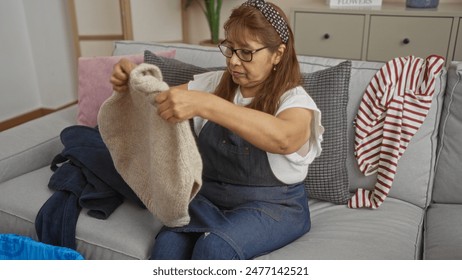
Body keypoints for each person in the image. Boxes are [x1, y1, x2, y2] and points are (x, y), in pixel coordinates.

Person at [110, 0, 323, 260]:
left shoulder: (294, 100)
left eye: (246, 52)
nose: (233, 61)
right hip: (210, 200)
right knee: (167, 246)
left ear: (277, 53)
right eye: (230, 49)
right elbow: (157, 102)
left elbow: (284, 139)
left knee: (214, 249)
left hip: (273, 207)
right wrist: (133, 79)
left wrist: (207, 104)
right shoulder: (213, 83)